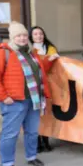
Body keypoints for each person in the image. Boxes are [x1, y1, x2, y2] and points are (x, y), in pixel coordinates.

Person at [0, 21, 59, 166]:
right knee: (11, 133)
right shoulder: (3, 52)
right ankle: (7, 163)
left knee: (32, 131)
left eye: (24, 35)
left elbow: (39, 69)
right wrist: (3, 97)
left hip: (33, 99)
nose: (22, 38)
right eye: (19, 35)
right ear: (12, 37)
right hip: (13, 101)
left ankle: (31, 156)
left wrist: (51, 59)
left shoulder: (31, 52)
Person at [29, 25, 58, 153]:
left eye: (40, 33)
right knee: (35, 115)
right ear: (31, 36)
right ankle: (37, 142)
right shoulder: (29, 50)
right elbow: (39, 67)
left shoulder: (50, 48)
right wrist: (48, 60)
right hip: (33, 86)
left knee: (45, 114)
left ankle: (45, 140)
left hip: (47, 85)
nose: (39, 36)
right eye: (35, 34)